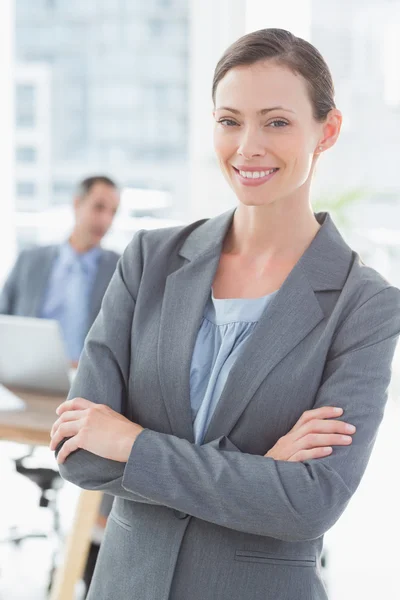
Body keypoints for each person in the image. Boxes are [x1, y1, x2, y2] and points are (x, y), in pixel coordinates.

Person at [50, 29, 400, 600]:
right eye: (230, 121)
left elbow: (312, 502)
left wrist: (133, 443)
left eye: (277, 122)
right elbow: (80, 453)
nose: (248, 147)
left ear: (327, 130)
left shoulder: (364, 304)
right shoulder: (148, 261)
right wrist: (264, 471)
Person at [0, 175, 120, 594]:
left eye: (112, 211)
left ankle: (91, 552)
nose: (105, 218)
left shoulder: (118, 267)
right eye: (99, 206)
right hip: (28, 380)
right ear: (77, 204)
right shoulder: (33, 261)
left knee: (110, 444)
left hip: (86, 386)